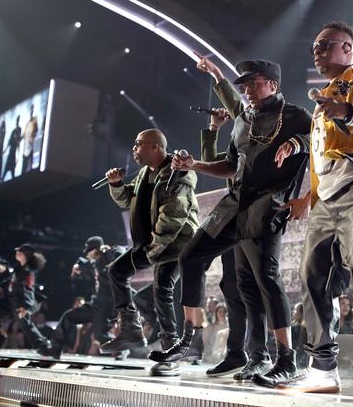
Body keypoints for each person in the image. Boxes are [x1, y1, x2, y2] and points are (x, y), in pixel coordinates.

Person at [272, 21, 353, 398]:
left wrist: (348, 110)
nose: (316, 49)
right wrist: (304, 192)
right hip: (328, 196)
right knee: (312, 276)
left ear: (348, 48)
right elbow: (323, 156)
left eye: (325, 43)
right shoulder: (322, 102)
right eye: (314, 44)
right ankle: (322, 369)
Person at [168, 59, 311, 387]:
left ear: (272, 85)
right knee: (192, 257)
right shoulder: (243, 119)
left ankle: (285, 360)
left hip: (268, 205)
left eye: (254, 83)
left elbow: (321, 145)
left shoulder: (295, 116)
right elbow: (231, 166)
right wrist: (196, 164)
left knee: (265, 280)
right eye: (243, 85)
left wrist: (298, 153)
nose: (246, 90)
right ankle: (193, 335)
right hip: (233, 205)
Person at [99, 129, 200, 378]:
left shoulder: (178, 173)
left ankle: (171, 353)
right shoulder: (146, 173)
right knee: (116, 271)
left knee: (162, 286)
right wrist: (116, 185)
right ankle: (131, 328)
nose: (134, 149)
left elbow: (173, 219)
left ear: (155, 147)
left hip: (177, 244)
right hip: (151, 243)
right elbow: (127, 201)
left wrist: (152, 251)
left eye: (138, 144)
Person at [195, 58, 273, 380]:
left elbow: (235, 102)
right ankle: (238, 353)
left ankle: (263, 354)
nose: (246, 94)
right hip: (231, 216)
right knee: (231, 286)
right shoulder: (238, 132)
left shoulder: (263, 123)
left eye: (251, 86)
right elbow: (215, 165)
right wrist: (213, 130)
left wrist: (216, 74)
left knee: (255, 288)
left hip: (255, 215)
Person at [39, 236, 125, 359]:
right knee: (68, 316)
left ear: (96, 249)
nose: (88, 255)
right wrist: (76, 268)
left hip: (108, 303)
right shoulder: (92, 264)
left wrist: (113, 263)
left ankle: (121, 348)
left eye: (89, 252)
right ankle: (55, 348)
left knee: (99, 335)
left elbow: (121, 251)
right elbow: (80, 266)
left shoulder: (108, 254)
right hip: (96, 303)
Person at [0, 244, 48, 351]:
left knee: (25, 325)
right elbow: (11, 280)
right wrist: (1, 287)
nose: (17, 253)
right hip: (9, 301)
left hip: (19, 303)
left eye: (20, 252)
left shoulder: (28, 272)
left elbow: (28, 290)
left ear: (25, 255)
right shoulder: (18, 267)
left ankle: (44, 346)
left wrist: (25, 306)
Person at [3, 115, 22, 181]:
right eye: (16, 120)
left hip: (13, 153)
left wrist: (18, 155)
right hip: (11, 152)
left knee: (12, 170)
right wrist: (5, 150)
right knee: (6, 169)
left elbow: (18, 142)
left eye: (18, 120)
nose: (17, 122)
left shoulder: (19, 129)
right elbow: (9, 142)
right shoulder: (13, 131)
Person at [22, 105, 38, 173]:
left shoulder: (34, 121)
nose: (31, 112)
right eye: (31, 110)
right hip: (26, 147)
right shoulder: (27, 123)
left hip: (30, 146)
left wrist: (33, 137)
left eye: (32, 110)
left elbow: (36, 130)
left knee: (30, 164)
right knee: (24, 165)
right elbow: (24, 135)